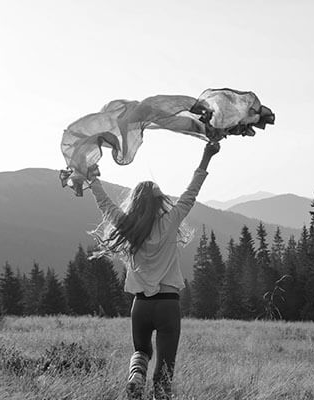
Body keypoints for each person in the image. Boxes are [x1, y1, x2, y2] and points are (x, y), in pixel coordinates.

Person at [87, 141, 220, 400]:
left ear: (135, 202)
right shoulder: (170, 221)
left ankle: (136, 373)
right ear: (160, 201)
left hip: (141, 306)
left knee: (141, 352)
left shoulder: (127, 226)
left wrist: (93, 182)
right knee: (165, 369)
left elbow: (105, 204)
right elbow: (191, 192)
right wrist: (206, 156)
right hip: (168, 305)